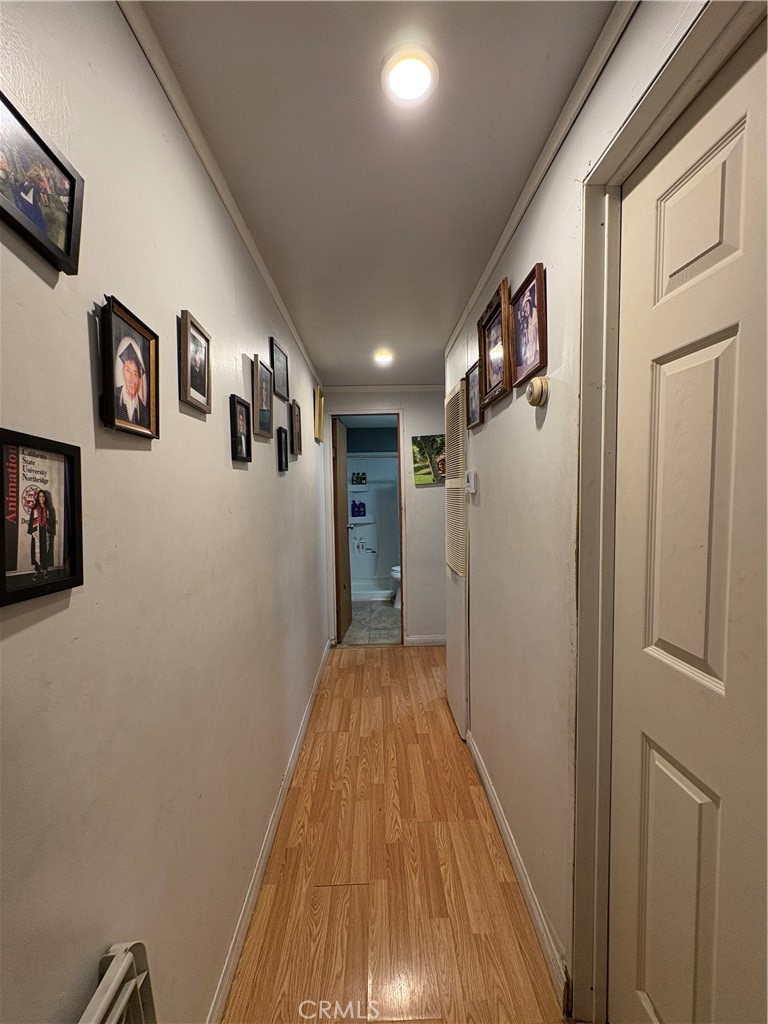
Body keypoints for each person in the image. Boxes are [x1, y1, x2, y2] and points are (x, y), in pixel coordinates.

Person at [115, 338, 150, 428]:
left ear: (140, 379)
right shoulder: (113, 398)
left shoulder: (146, 412)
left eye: (135, 374)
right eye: (128, 371)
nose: (131, 379)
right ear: (122, 371)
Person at [27, 489, 56, 581]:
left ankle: (44, 569)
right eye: (40, 496)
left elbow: (51, 522)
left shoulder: (49, 509)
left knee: (45, 551)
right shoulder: (34, 509)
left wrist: (51, 533)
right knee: (36, 551)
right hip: (37, 532)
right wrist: (32, 532)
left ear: (45, 498)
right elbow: (31, 521)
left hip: (45, 533)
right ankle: (36, 570)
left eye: (43, 496)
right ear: (37, 497)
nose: (42, 498)